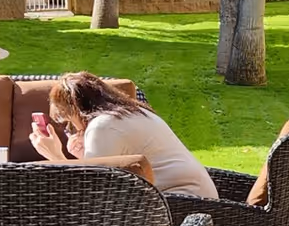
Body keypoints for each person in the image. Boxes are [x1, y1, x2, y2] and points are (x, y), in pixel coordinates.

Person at [29, 74, 217, 199]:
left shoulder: (102, 126)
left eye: (66, 121)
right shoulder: (132, 113)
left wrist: (56, 157)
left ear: (76, 110)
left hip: (180, 204)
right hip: (197, 200)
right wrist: (85, 159)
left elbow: (89, 195)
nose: (70, 128)